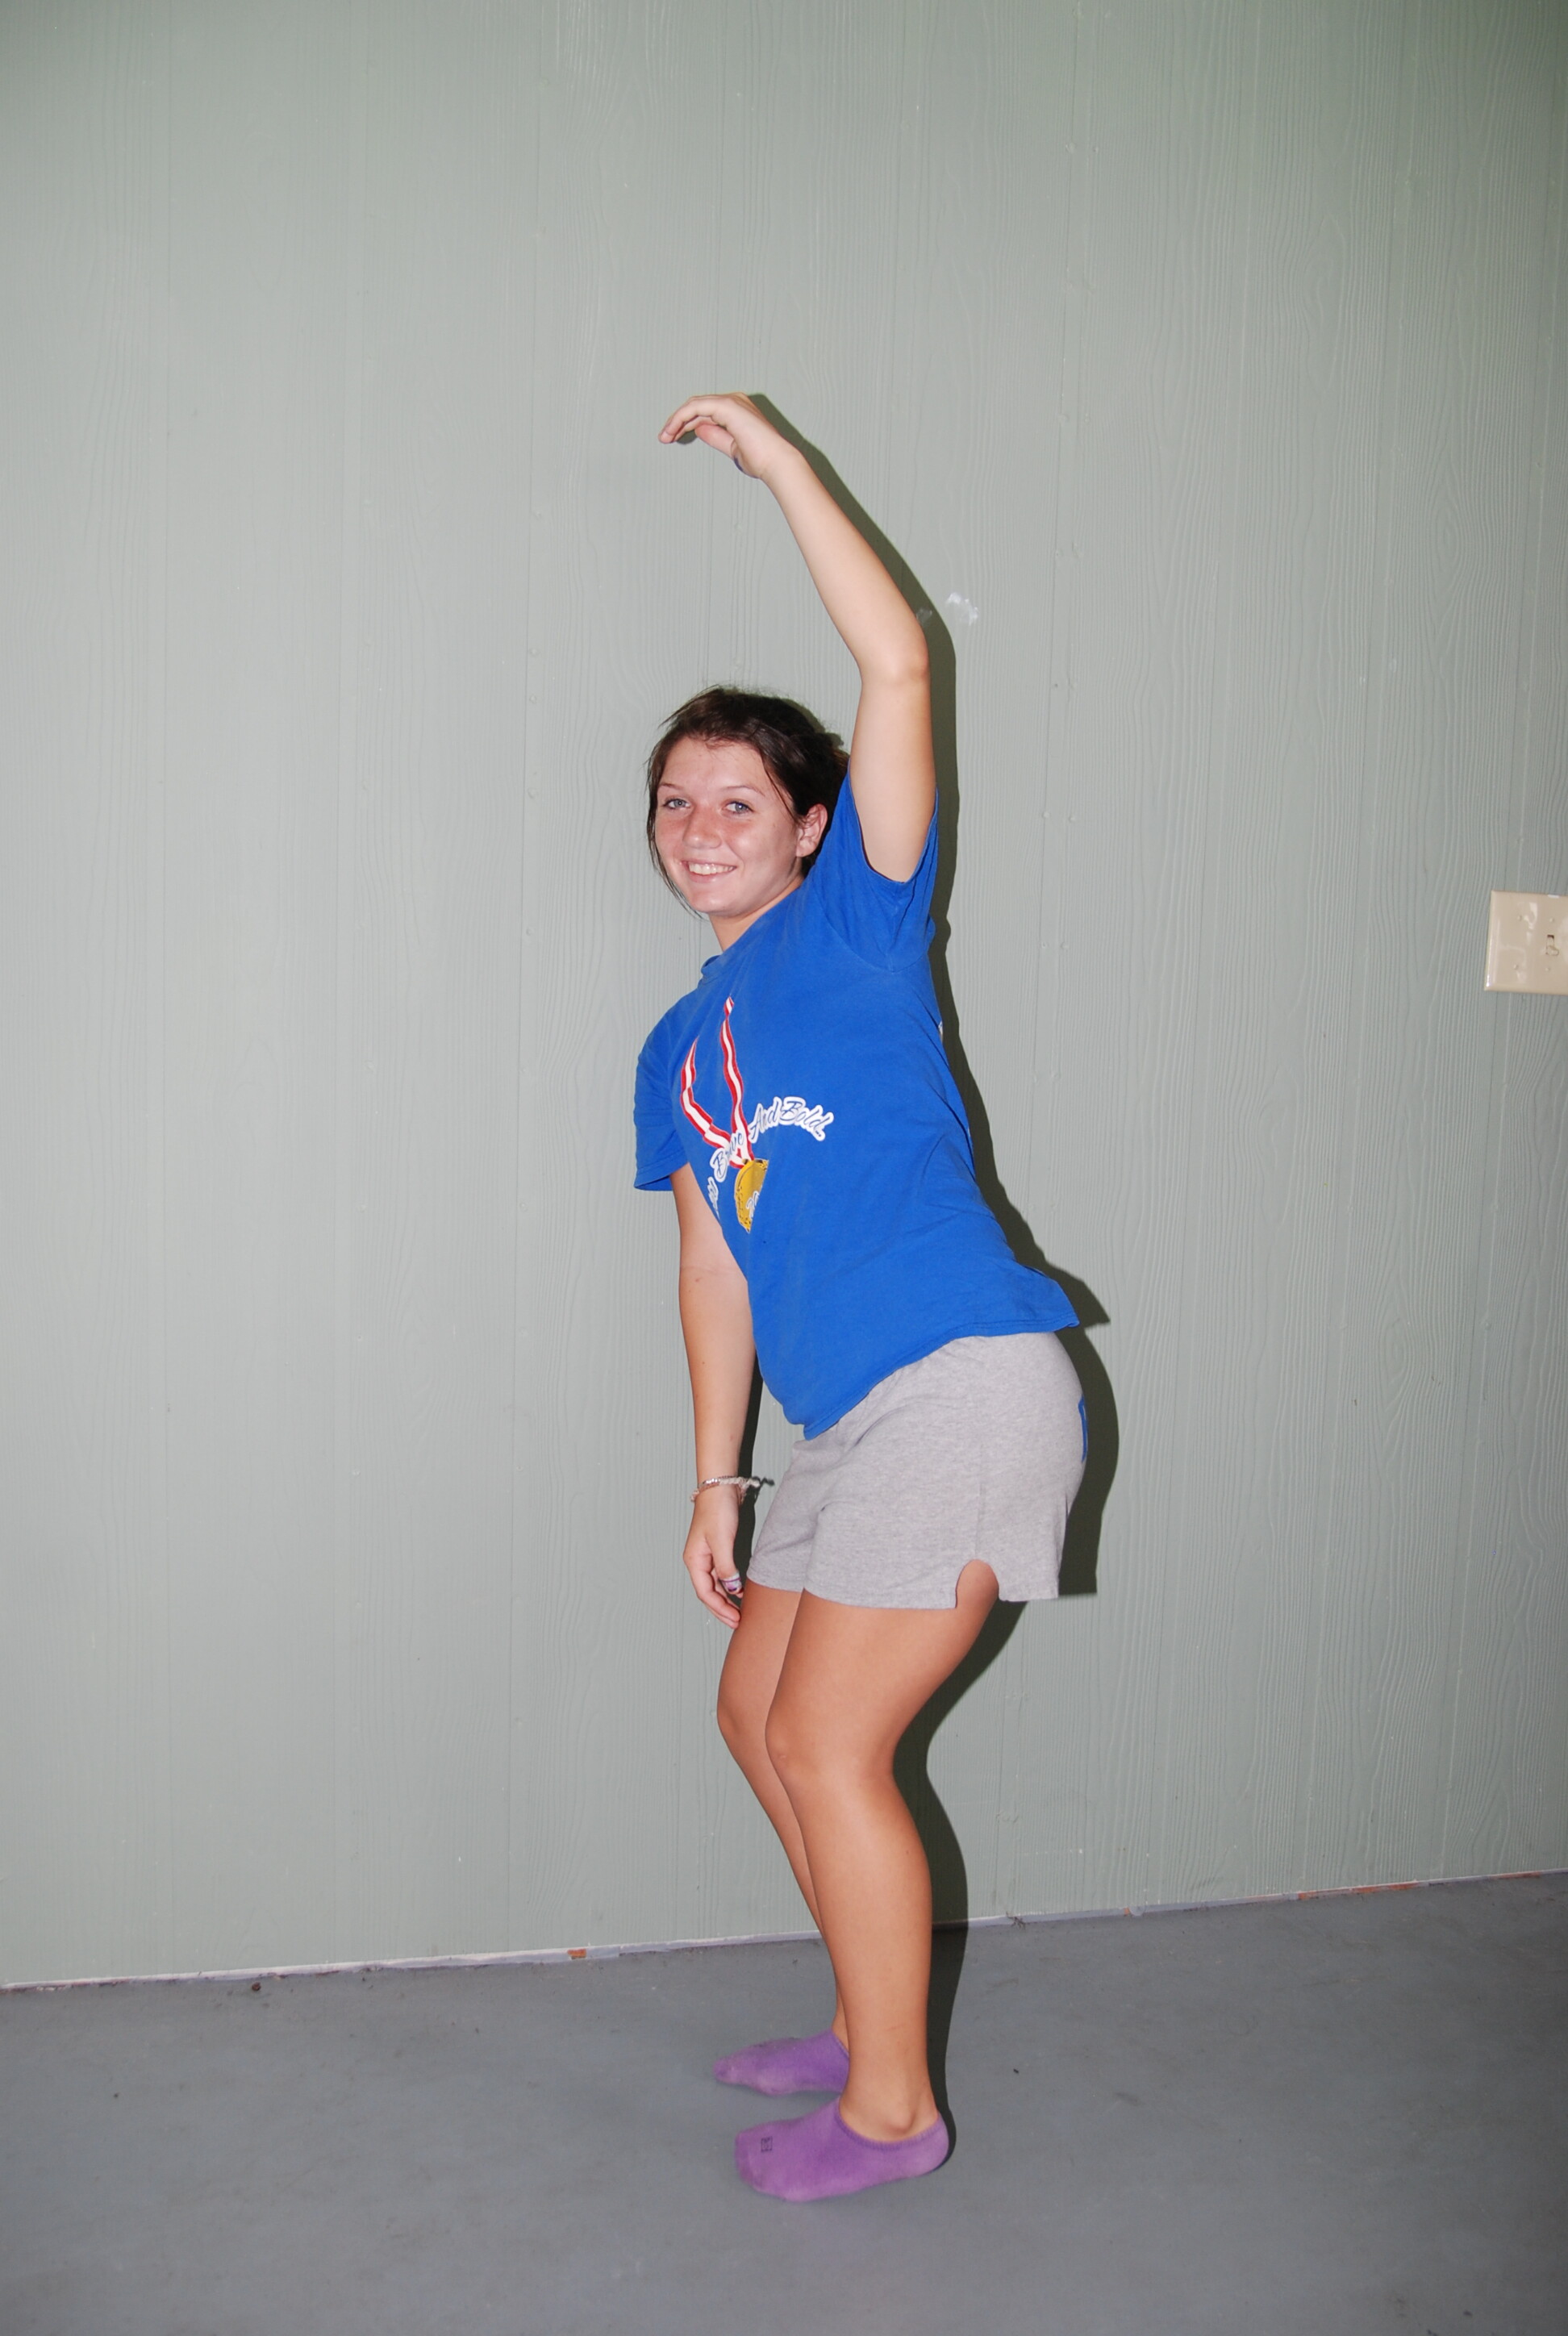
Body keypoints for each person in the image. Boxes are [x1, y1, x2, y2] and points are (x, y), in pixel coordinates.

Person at [635, 393, 1085, 2201]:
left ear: (811, 826)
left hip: (963, 1383)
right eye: (675, 800)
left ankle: (895, 2113)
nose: (700, 823)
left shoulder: (862, 922)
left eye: (739, 798)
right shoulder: (680, 1045)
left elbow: (898, 660)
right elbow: (711, 1259)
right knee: (756, 1719)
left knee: (832, 1740)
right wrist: (715, 1477)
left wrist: (780, 465)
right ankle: (864, 2015)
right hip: (840, 1424)